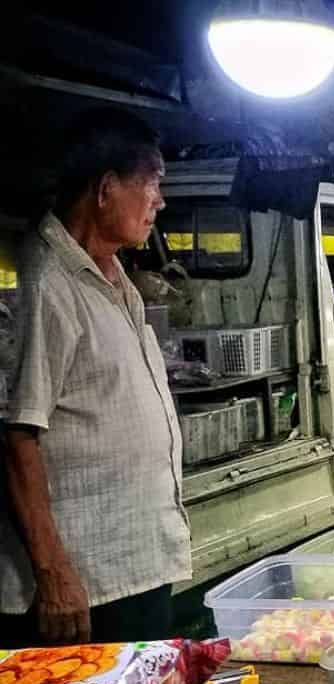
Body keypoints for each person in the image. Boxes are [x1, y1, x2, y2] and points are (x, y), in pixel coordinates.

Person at [0, 109, 189, 648]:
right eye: (152, 184)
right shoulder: (44, 281)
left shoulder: (112, 275)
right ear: (106, 189)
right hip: (83, 587)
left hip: (132, 565)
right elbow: (18, 436)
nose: (160, 201)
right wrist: (53, 572)